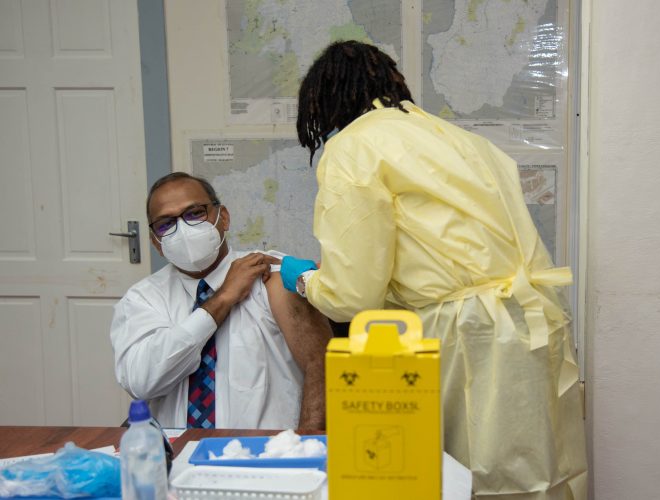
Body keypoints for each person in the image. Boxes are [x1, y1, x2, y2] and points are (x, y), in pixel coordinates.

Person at [280, 41, 587, 499]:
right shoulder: (457, 138)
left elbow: (352, 297)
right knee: (535, 472)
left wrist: (305, 279)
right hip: (526, 321)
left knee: (465, 479)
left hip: (464, 338)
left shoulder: (353, 148)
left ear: (325, 104)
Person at [110, 172, 332, 430]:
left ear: (223, 217)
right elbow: (142, 382)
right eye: (165, 224)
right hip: (178, 456)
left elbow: (323, 365)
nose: (182, 229)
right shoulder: (142, 298)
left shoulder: (269, 274)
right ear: (156, 242)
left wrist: (305, 445)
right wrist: (223, 297)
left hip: (266, 454)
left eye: (195, 213)